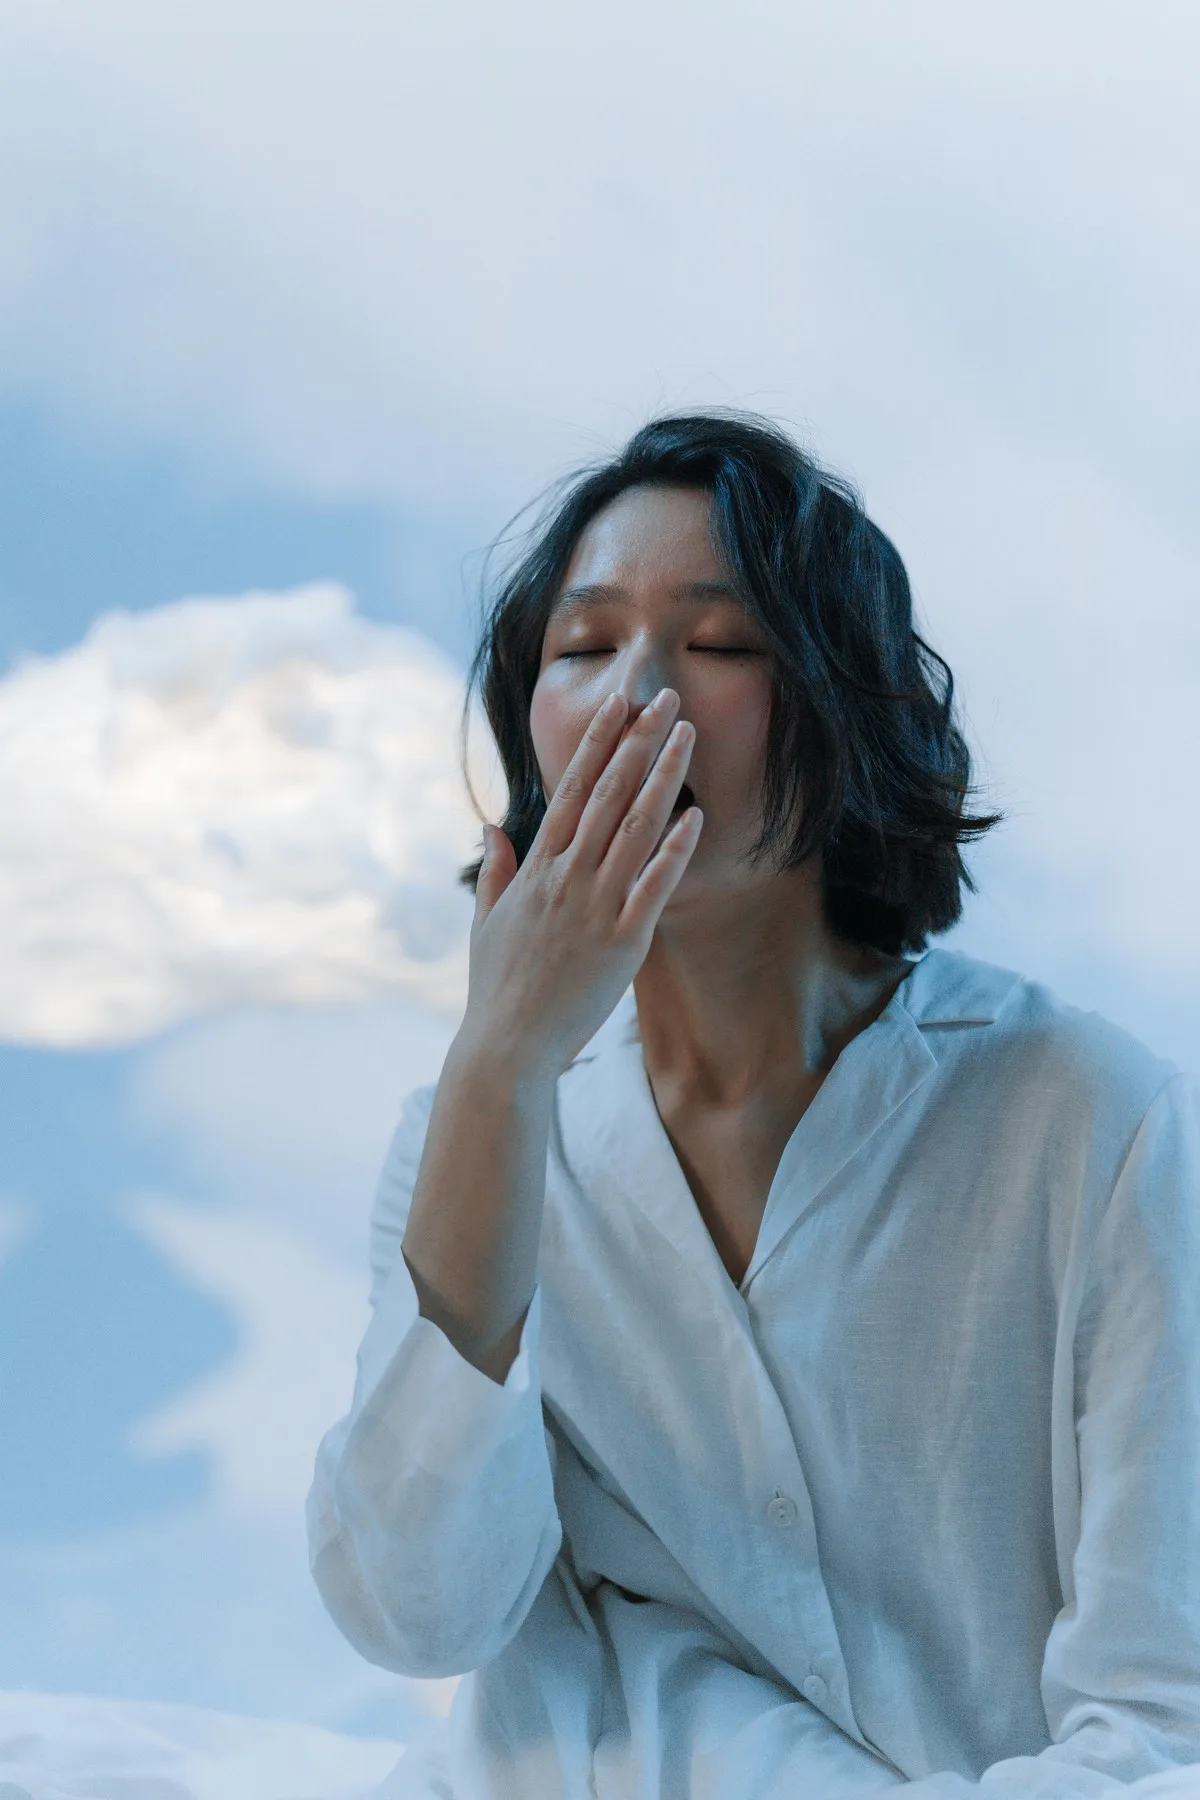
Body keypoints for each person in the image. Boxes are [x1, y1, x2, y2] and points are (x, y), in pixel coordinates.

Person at [306, 413, 1200, 1799]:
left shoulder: (1092, 1119)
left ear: (840, 710)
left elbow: (1165, 1729)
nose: (635, 703)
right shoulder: (466, 1137)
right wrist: (501, 1059)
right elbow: (414, 1611)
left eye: (718, 647)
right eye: (584, 649)